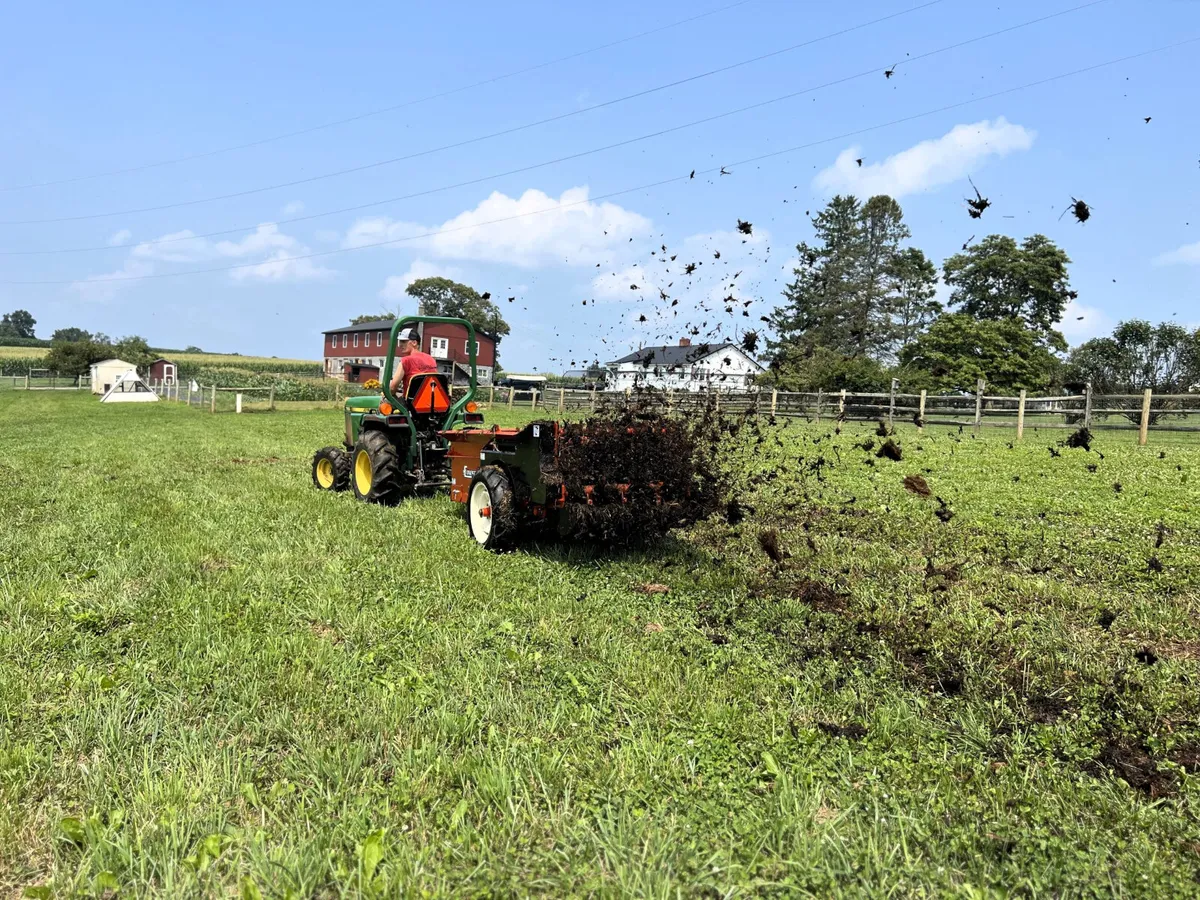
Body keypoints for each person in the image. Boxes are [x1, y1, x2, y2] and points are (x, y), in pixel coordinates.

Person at [389, 328, 439, 396]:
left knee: (385, 401)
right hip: (431, 401)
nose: (400, 345)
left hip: (412, 404)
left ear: (414, 343)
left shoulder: (406, 360)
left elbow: (392, 387)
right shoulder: (431, 359)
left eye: (403, 342)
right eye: (400, 342)